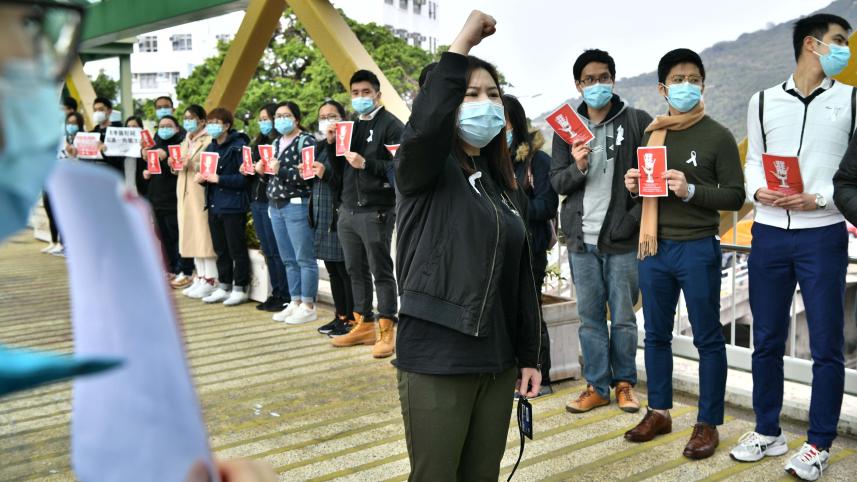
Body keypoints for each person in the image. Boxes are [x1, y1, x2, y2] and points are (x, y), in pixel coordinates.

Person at [394, 11, 542, 480]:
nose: (485, 104)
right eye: (469, 94)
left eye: (493, 95)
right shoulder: (425, 170)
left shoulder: (503, 184)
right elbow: (423, 128)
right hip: (439, 353)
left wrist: (529, 355)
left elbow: (521, 278)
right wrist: (462, 43)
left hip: (497, 362)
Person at [734, 14, 853, 481]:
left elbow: (853, 175)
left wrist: (819, 198)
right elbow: (754, 165)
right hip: (768, 232)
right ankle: (768, 430)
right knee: (765, 338)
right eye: (839, 41)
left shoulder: (853, 101)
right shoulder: (761, 101)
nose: (844, 49)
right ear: (812, 44)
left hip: (823, 233)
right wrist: (758, 193)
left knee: (826, 344)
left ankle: (819, 443)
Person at [622, 48, 745, 460]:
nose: (687, 86)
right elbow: (646, 195)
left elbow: (734, 195)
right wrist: (634, 184)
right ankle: (659, 411)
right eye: (678, 79)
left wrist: (690, 190)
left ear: (703, 85)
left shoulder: (718, 135)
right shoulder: (651, 133)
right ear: (662, 88)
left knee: (708, 338)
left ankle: (707, 423)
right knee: (655, 334)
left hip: (697, 247)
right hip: (654, 247)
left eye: (694, 79)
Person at [550, 49, 653, 414]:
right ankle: (597, 385)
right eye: (589, 79)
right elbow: (558, 183)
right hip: (581, 240)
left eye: (604, 77)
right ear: (578, 85)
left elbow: (652, 179)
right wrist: (578, 165)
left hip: (621, 240)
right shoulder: (566, 130)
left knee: (624, 317)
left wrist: (632, 214)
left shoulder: (637, 122)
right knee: (590, 317)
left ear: (613, 80)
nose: (597, 85)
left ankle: (625, 383)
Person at [328, 69, 403, 358]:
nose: (360, 98)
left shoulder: (392, 125)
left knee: (381, 271)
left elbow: (400, 167)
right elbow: (338, 170)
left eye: (365, 93)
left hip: (377, 210)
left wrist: (367, 164)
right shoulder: (350, 127)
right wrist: (331, 144)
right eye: (355, 93)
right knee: (354, 269)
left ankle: (387, 332)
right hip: (348, 209)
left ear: (377, 94)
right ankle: (363, 324)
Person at [503, 93, 558, 395]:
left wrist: (512, 203)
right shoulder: (490, 159)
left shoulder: (538, 160)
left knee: (530, 312)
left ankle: (543, 375)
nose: (502, 128)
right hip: (502, 249)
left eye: (506, 122)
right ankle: (514, 375)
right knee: (508, 312)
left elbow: (547, 206)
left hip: (530, 248)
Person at [263, 101, 319, 325]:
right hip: (275, 204)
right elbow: (271, 174)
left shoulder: (306, 141)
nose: (280, 119)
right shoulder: (276, 142)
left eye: (286, 115)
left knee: (304, 258)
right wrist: (263, 169)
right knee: (288, 259)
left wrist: (281, 170)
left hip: (296, 204)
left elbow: (309, 175)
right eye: (277, 116)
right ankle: (295, 301)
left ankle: (308, 305)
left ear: (296, 118)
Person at [197, 107, 252, 306]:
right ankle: (224, 285)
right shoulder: (210, 148)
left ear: (227, 125)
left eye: (215, 123)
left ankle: (240, 287)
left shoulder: (239, 146)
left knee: (236, 249)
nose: (211, 127)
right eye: (209, 123)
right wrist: (202, 179)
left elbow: (245, 179)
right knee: (221, 249)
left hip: (233, 205)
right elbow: (208, 175)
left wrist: (219, 178)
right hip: (214, 205)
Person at [311, 100, 355, 336]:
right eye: (323, 116)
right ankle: (339, 315)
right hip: (321, 213)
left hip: (339, 213)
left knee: (344, 269)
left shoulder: (346, 146)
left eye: (332, 115)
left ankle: (351, 317)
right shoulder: (319, 146)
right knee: (332, 268)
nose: (328, 120)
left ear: (342, 117)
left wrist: (326, 174)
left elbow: (346, 182)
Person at [243, 103, 290, 312]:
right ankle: (276, 292)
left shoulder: (279, 144)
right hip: (257, 200)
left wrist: (263, 171)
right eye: (260, 119)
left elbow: (279, 174)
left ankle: (286, 294)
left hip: (272, 200)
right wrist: (248, 169)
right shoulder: (257, 142)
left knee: (279, 250)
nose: (263, 123)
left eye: (266, 119)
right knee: (268, 251)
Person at [142, 114, 194, 285]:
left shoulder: (180, 146)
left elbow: (177, 170)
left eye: (168, 126)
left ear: (177, 128)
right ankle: (170, 268)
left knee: (177, 235)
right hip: (156, 198)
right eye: (161, 126)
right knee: (163, 237)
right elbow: (151, 169)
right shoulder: (154, 146)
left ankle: (184, 269)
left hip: (173, 198)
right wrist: (147, 172)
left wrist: (165, 159)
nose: (164, 129)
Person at [176, 105, 219, 300]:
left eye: (191, 118)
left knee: (204, 235)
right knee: (190, 234)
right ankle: (200, 277)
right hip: (184, 192)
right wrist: (173, 165)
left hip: (200, 193)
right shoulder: (185, 140)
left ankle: (211, 278)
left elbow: (212, 165)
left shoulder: (209, 139)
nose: (188, 121)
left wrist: (194, 164)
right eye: (185, 118)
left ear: (202, 121)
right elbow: (180, 167)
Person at [89, 96, 124, 172]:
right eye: (95, 110)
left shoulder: (120, 131)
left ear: (110, 111)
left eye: (101, 110)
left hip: (114, 173)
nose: (97, 113)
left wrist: (106, 150)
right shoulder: (92, 134)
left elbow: (121, 157)